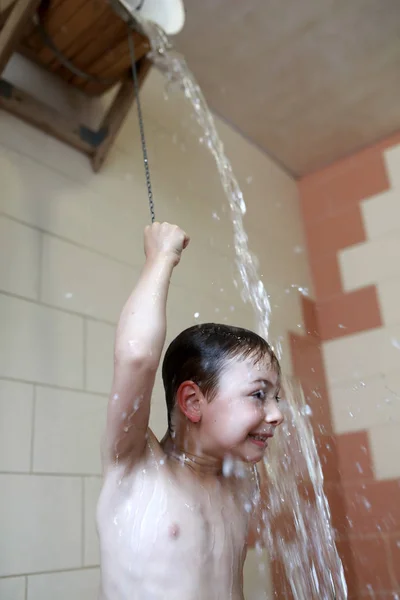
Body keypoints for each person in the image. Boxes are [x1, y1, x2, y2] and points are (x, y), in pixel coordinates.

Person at [97, 222, 284, 600]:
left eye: (277, 397)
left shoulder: (242, 480)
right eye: (259, 395)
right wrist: (161, 257)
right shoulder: (136, 468)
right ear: (192, 402)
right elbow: (136, 358)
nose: (277, 414)